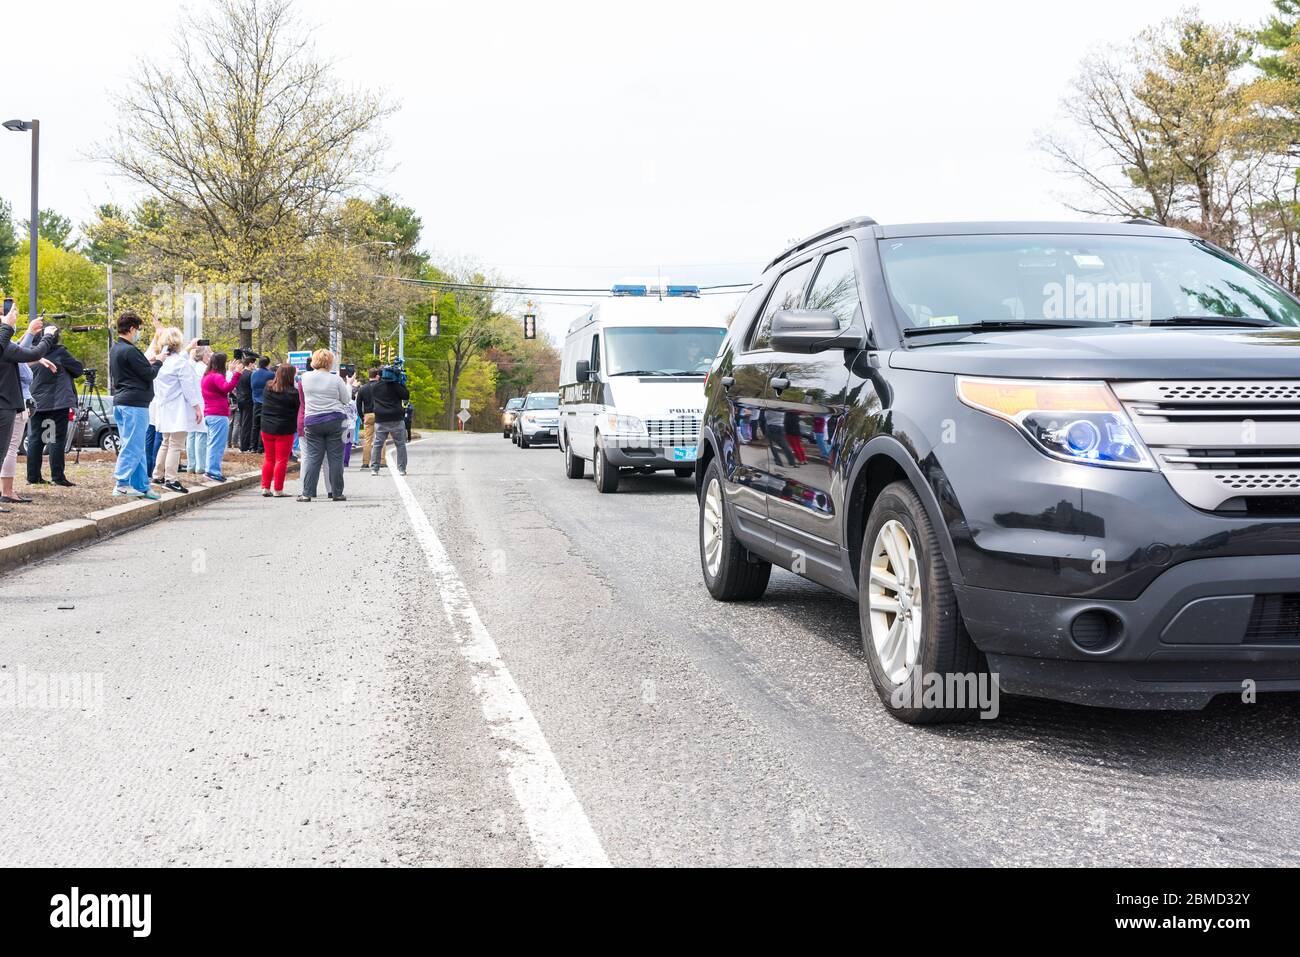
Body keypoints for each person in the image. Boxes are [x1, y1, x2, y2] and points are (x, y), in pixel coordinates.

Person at [1, 304, 57, 510]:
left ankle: (7, 490)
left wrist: (30, 335)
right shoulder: (4, 345)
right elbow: (23, 353)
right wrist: (47, 336)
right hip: (11, 404)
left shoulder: (6, 347)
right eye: (10, 313)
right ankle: (6, 491)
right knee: (10, 449)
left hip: (15, 403)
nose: (13, 317)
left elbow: (20, 353)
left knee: (9, 449)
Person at [108, 312, 163, 499]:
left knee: (137, 446)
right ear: (131, 329)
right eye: (138, 329)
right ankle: (121, 483)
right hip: (134, 404)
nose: (138, 333)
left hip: (123, 402)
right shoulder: (130, 350)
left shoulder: (116, 348)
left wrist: (151, 362)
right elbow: (149, 374)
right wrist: (160, 361)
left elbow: (137, 368)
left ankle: (141, 485)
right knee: (133, 446)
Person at [26, 322, 85, 487]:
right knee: (55, 439)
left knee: (35, 439)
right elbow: (78, 370)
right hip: (56, 403)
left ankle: (33, 477)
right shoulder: (59, 352)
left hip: (36, 402)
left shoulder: (29, 353)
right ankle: (57, 477)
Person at [148, 327, 203, 494]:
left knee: (166, 442)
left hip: (163, 407)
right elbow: (188, 388)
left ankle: (157, 475)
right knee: (176, 444)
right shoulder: (179, 363)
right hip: (178, 408)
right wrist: (196, 407)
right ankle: (171, 479)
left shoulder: (159, 361)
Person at [297, 349, 352, 502]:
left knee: (313, 458)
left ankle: (307, 493)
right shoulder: (336, 379)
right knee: (335, 458)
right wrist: (348, 386)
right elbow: (346, 400)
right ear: (330, 362)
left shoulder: (305, 377)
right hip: (335, 420)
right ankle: (337, 493)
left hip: (313, 421)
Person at [201, 352, 245, 482]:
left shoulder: (207, 376)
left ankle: (210, 469)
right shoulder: (216, 376)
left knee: (212, 443)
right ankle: (212, 471)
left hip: (210, 414)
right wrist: (237, 374)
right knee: (217, 445)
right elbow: (227, 387)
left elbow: (221, 385)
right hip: (218, 415)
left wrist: (231, 371)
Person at [259, 363, 299, 497]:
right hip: (284, 429)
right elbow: (297, 409)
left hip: (267, 427)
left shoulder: (268, 387)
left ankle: (265, 487)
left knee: (269, 458)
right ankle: (278, 489)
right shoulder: (293, 393)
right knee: (281, 460)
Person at [369, 368, 410, 477]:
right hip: (396, 418)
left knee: (378, 444)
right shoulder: (397, 386)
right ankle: (401, 469)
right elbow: (406, 395)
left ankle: (374, 468)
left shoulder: (376, 387)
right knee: (400, 444)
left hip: (381, 419)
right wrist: (402, 383)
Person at [185, 346, 211, 473]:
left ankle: (191, 465)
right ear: (204, 356)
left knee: (191, 434)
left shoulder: (192, 366)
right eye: (208, 354)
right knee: (201, 434)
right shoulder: (204, 369)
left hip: (192, 403)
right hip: (201, 403)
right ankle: (200, 466)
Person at [249, 355, 274, 454]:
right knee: (263, 426)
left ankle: (252, 447)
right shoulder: (271, 374)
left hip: (255, 401)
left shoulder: (253, 374)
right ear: (268, 364)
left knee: (255, 425)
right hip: (266, 402)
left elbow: (252, 386)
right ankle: (260, 447)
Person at [357, 367, 379, 470]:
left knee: (367, 439)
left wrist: (361, 416)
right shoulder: (381, 386)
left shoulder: (363, 388)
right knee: (380, 438)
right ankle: (382, 461)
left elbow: (358, 404)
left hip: (368, 414)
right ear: (377, 375)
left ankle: (365, 462)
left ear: (369, 376)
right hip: (380, 414)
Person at [235, 351, 257, 451]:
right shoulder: (251, 375)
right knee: (247, 423)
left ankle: (242, 443)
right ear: (250, 364)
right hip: (248, 400)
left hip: (240, 399)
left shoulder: (240, 374)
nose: (255, 366)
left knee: (242, 422)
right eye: (254, 364)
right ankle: (244, 445)